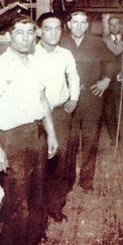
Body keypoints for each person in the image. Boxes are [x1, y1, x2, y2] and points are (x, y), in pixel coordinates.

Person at [0, 15, 58, 245]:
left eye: (29, 33)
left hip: (35, 136)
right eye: (19, 33)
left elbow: (43, 101)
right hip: (11, 140)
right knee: (18, 208)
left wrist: (51, 133)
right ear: (9, 37)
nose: (26, 38)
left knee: (36, 201)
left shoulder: (37, 64)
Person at [60, 10, 116, 191]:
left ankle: (86, 180)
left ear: (87, 25)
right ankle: (67, 181)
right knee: (69, 142)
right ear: (68, 24)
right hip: (68, 99)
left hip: (92, 97)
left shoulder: (96, 43)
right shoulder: (61, 43)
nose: (79, 26)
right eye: (75, 22)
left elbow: (112, 61)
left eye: (83, 22)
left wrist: (106, 80)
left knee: (90, 140)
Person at [34, 12, 80, 222]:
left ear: (62, 31)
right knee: (37, 163)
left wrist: (74, 98)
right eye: (47, 28)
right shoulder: (31, 54)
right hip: (34, 116)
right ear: (39, 31)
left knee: (59, 163)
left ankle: (55, 206)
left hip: (60, 114)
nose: (53, 33)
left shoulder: (65, 54)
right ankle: (38, 213)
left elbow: (73, 77)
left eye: (57, 29)